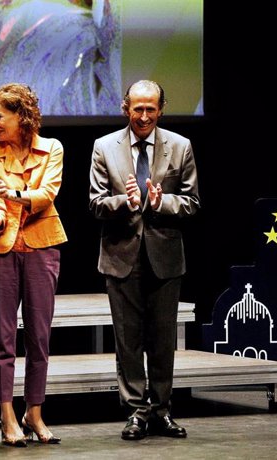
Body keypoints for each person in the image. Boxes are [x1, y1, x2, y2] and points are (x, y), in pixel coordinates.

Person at [89, 80, 200, 440]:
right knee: (128, 340)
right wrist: (128, 202)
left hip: (165, 256)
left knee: (163, 339)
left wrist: (159, 201)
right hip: (121, 256)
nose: (144, 115)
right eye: (137, 108)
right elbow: (95, 203)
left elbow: (191, 203)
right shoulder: (104, 147)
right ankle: (137, 410)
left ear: (161, 109)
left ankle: (162, 410)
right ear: (126, 109)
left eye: (151, 108)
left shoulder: (180, 146)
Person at [0, 83, 67, 446]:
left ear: (21, 116)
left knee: (39, 337)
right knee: (3, 338)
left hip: (42, 245)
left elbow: (47, 195)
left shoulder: (52, 149)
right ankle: (7, 414)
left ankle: (35, 410)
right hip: (1, 250)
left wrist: (12, 196)